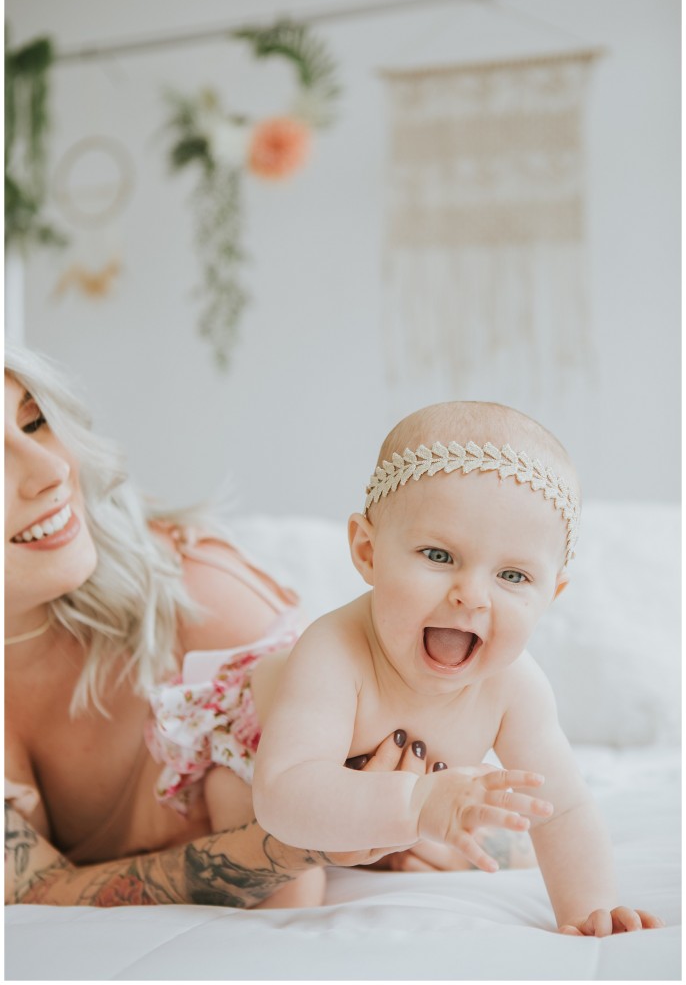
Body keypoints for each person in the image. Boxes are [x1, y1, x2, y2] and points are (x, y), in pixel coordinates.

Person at [152, 400, 665, 935]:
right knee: (295, 896)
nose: (472, 595)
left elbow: (563, 809)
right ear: (368, 551)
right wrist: (415, 801)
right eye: (439, 556)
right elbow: (284, 793)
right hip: (252, 768)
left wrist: (590, 910)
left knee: (474, 834)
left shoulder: (516, 687)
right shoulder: (333, 650)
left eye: (513, 576)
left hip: (384, 796)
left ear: (550, 596)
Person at [4, 343, 451, 909]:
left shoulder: (193, 597)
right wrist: (293, 849)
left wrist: (434, 832)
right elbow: (34, 886)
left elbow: (467, 781)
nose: (52, 471)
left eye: (35, 422)